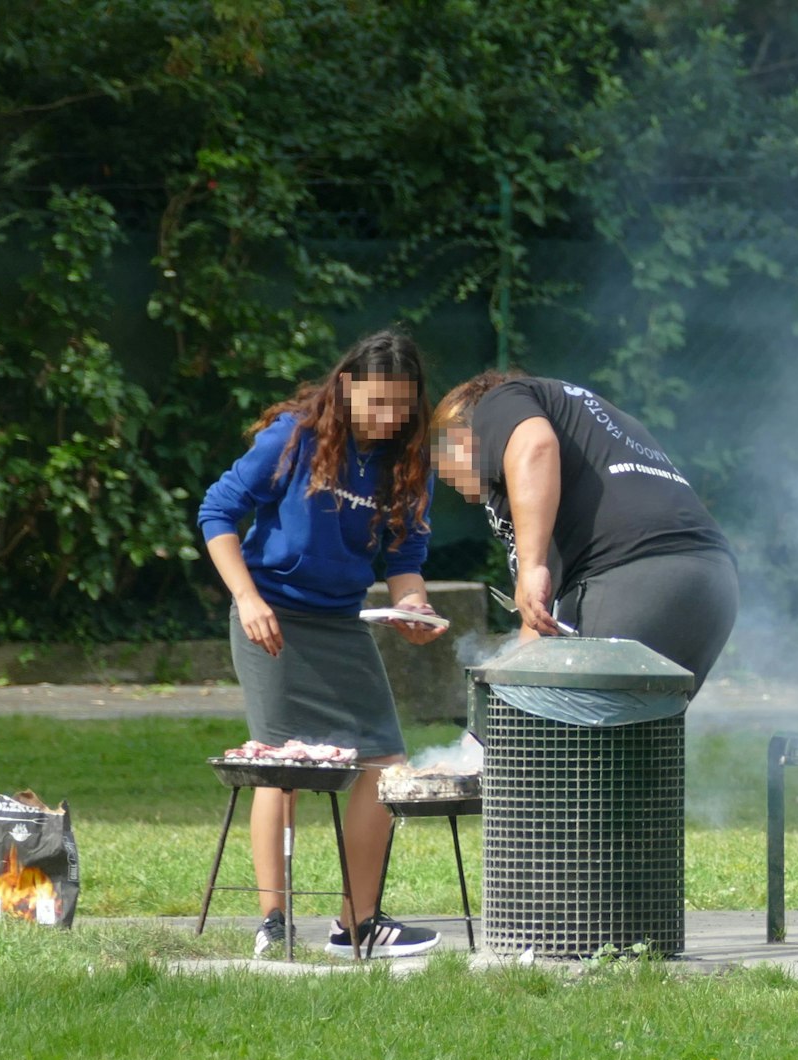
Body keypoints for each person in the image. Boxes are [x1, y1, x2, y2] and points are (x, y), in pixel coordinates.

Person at [197, 328, 447, 958]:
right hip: (272, 618)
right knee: (281, 765)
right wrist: (247, 599)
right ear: (347, 386)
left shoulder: (409, 462)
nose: (388, 419)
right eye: (377, 402)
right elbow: (217, 512)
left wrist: (412, 608)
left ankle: (357, 924)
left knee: (385, 762)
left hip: (342, 623)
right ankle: (273, 924)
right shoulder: (294, 437)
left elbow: (405, 562)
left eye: (401, 407)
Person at [433, 370, 738, 692]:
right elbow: (539, 616)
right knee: (644, 721)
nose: (445, 478)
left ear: (459, 433)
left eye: (441, 456)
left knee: (573, 720)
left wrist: (532, 566)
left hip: (630, 576)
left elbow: (536, 445)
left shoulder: (497, 401)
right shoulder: (594, 439)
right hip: (714, 586)